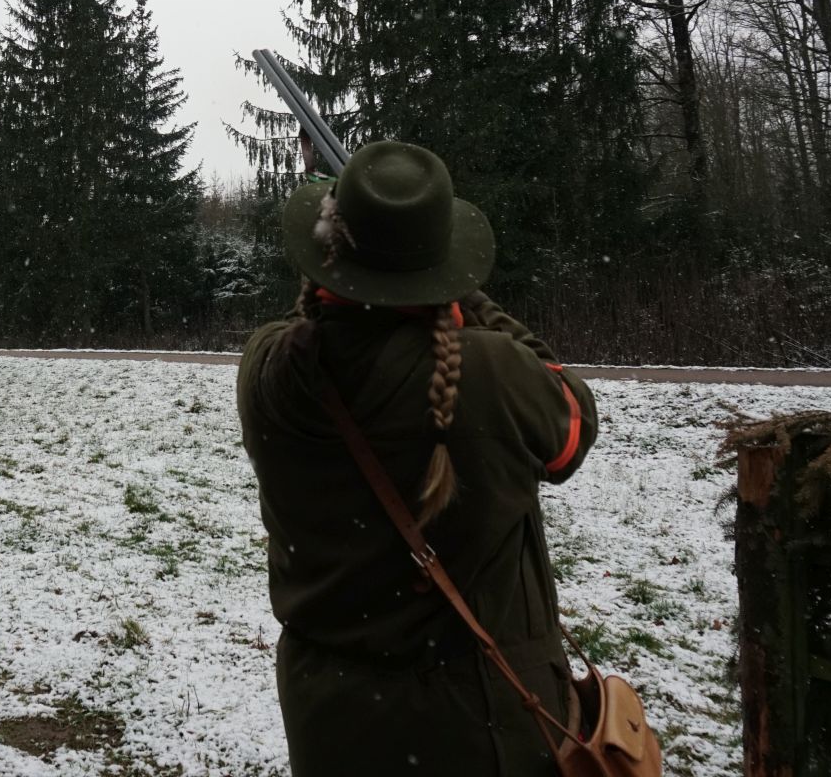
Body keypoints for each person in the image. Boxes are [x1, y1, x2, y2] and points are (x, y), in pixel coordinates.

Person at [236, 141, 598, 777]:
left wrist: (347, 254)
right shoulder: (494, 372)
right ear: (442, 269)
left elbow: (315, 320)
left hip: (330, 721)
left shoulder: (266, 368)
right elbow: (573, 427)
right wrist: (470, 298)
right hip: (479, 725)